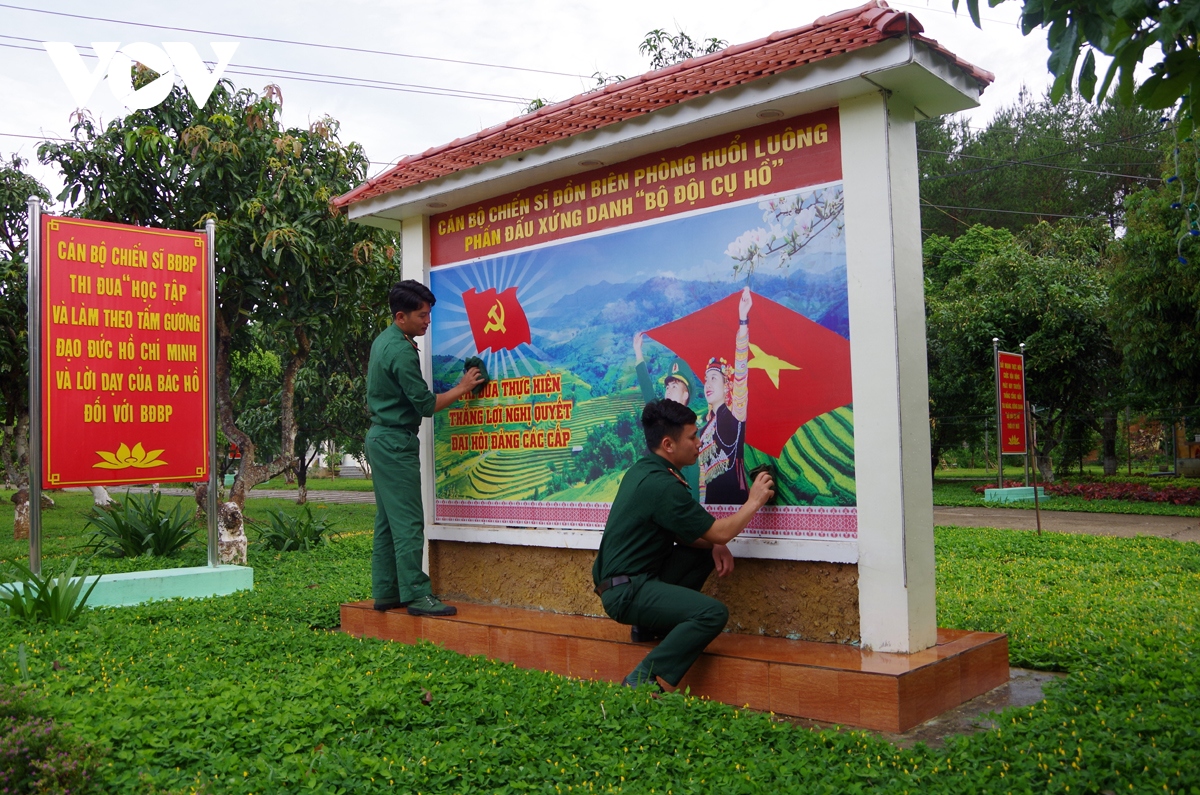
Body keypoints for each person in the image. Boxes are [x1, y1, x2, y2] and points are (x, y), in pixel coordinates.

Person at [592, 399, 775, 691]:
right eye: (692, 436)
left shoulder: (645, 470)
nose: (698, 441)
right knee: (711, 613)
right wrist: (753, 501)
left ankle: (649, 626)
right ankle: (643, 678)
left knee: (703, 549)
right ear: (668, 444)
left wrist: (714, 543)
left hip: (628, 582)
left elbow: (698, 533)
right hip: (627, 591)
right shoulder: (662, 485)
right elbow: (721, 531)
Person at [366, 279, 484, 617]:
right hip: (394, 442)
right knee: (408, 522)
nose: (427, 321)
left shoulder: (385, 340)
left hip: (379, 437)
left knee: (387, 521)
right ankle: (417, 595)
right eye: (422, 315)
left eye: (429, 313)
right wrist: (463, 387)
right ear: (401, 316)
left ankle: (387, 591)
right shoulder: (402, 351)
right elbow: (425, 404)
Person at [699, 287, 752, 505]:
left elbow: (741, 374)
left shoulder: (734, 416)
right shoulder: (705, 428)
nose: (708, 384)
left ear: (727, 386)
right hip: (711, 505)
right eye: (706, 379)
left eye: (714, 378)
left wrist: (742, 321)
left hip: (734, 502)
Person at [632, 331, 699, 499]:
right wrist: (638, 353)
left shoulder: (689, 432)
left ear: (686, 396)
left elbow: (692, 487)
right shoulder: (661, 422)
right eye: (668, 387)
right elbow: (649, 394)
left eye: (675, 387)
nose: (669, 391)